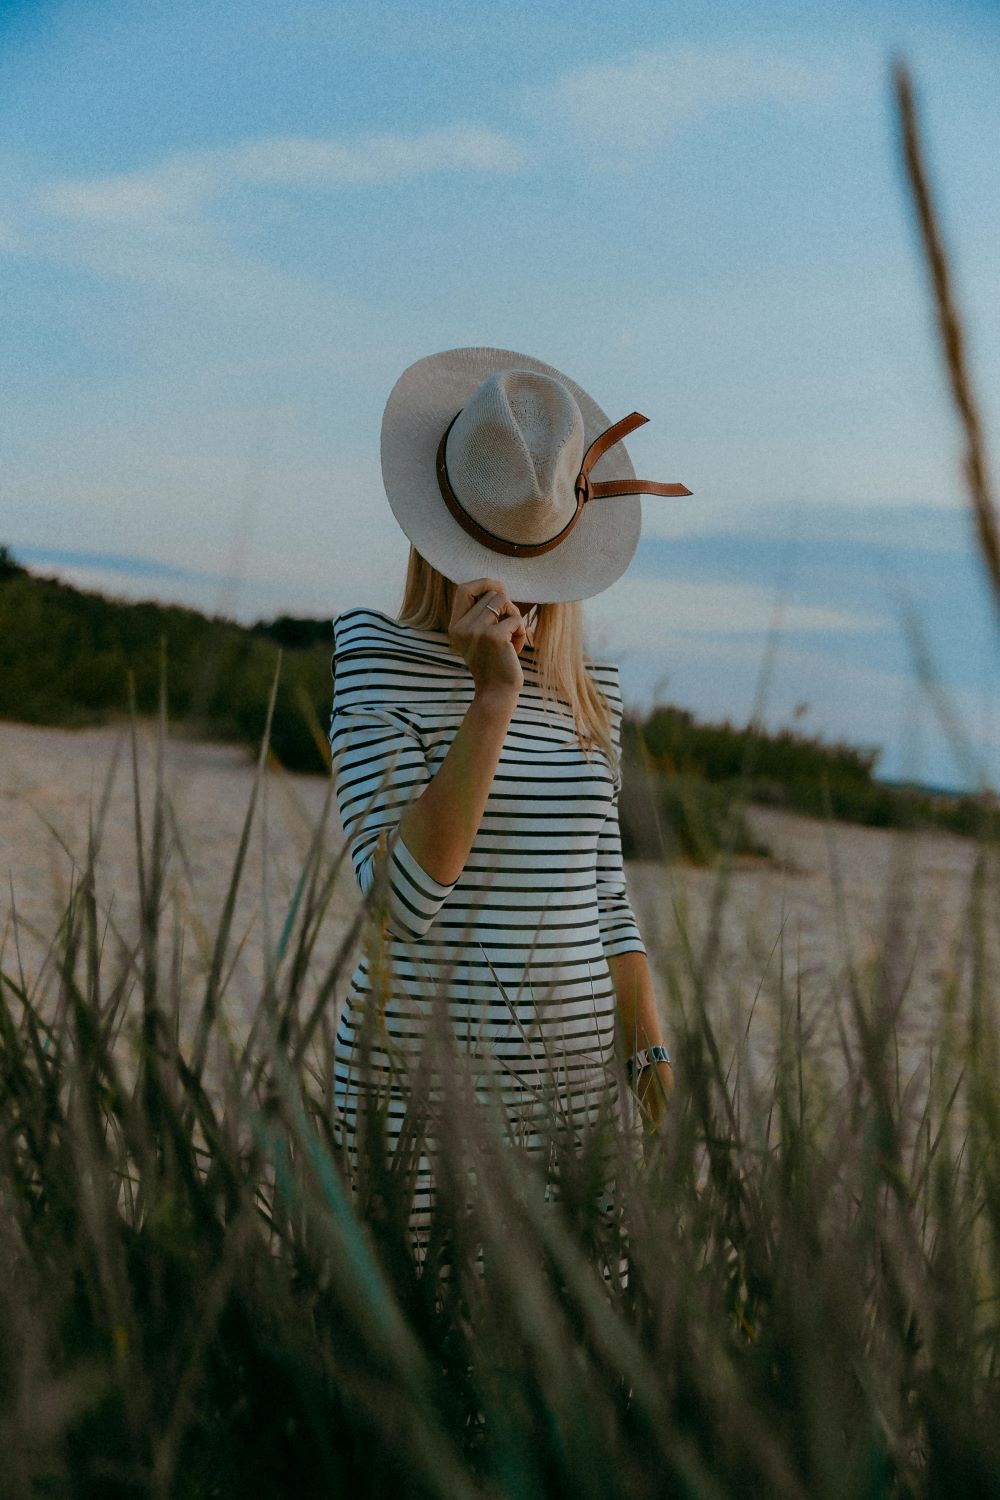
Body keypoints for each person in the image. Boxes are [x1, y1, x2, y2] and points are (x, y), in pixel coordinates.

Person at [328, 346, 691, 1262]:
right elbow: (400, 903)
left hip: (574, 1098)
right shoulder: (376, 658)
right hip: (421, 1081)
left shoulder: (589, 691)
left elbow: (609, 902)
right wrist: (490, 700)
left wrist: (653, 1076)